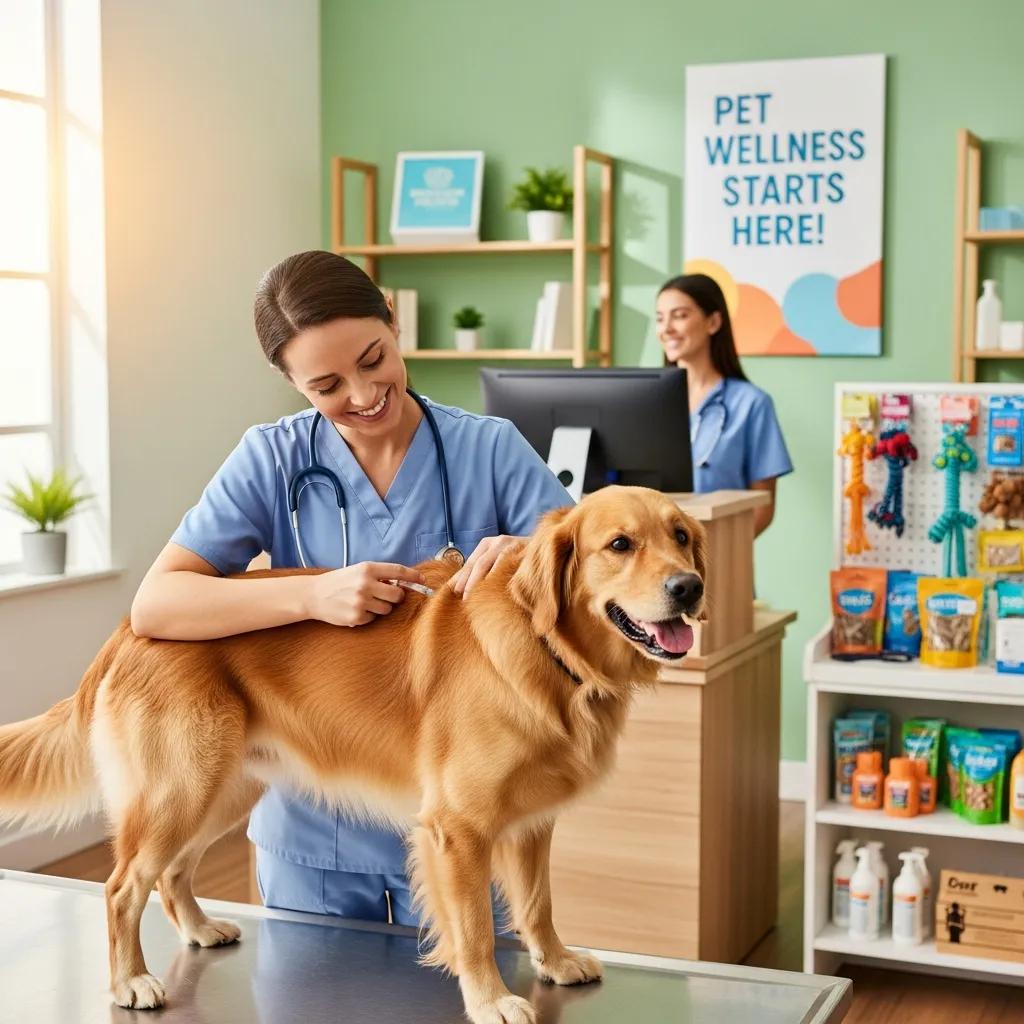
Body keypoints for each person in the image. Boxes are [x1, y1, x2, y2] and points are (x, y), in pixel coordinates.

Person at [130, 250, 571, 926]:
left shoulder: (491, 450)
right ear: (290, 381)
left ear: (391, 321)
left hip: (472, 830)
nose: (364, 396)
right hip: (314, 842)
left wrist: (530, 552)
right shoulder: (272, 457)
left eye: (373, 360)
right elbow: (158, 605)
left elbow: (590, 577)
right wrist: (310, 597)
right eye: (327, 385)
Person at [655, 273, 792, 536]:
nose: (667, 328)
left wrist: (713, 555)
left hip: (722, 558)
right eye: (660, 318)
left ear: (713, 322)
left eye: (680, 315)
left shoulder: (751, 403)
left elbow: (763, 506)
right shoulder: (650, 404)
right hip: (655, 564)